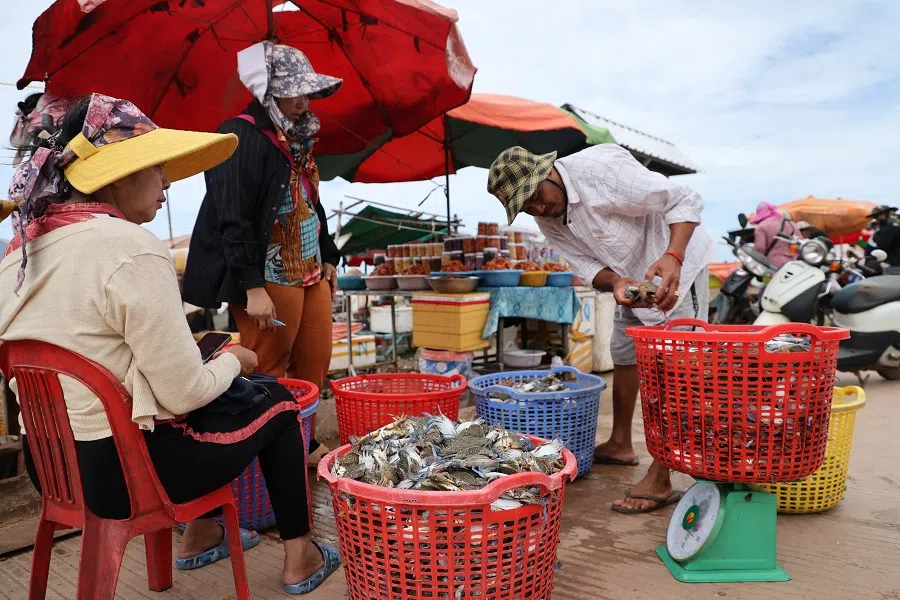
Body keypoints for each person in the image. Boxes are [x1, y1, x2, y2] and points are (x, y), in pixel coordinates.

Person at [0, 94, 338, 594]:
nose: (168, 183)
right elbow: (182, 393)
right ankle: (301, 557)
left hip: (53, 469)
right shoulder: (128, 248)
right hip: (129, 474)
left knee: (211, 385)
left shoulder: (18, 254)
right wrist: (236, 362)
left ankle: (201, 533)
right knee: (279, 402)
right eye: (156, 168)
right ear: (115, 175)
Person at [487, 145, 715, 514]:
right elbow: (588, 265)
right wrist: (617, 283)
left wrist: (673, 257)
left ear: (548, 174)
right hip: (635, 280)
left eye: (537, 198)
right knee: (624, 353)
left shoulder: (600, 170)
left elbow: (684, 198)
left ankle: (661, 474)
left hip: (677, 270)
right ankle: (621, 443)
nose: (539, 210)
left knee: (677, 370)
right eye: (527, 208)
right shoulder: (548, 218)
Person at [183, 42, 341, 467]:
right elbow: (231, 217)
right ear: (268, 91)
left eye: (308, 90)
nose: (305, 99)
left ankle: (300, 444)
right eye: (295, 90)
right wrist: (252, 287)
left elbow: (310, 200)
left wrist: (328, 253)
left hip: (309, 270)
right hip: (268, 274)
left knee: (314, 362)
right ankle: (270, 453)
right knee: (269, 365)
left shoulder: (295, 137)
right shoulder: (238, 135)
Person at [749, 202, 799, 268]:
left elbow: (760, 248)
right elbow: (799, 244)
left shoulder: (761, 227)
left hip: (774, 264)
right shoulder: (792, 224)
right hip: (795, 264)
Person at [869, 205, 900, 275]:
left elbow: (880, 246)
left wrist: (876, 234)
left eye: (876, 217)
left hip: (894, 265)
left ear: (883, 214)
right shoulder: (895, 226)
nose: (876, 220)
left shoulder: (887, 229)